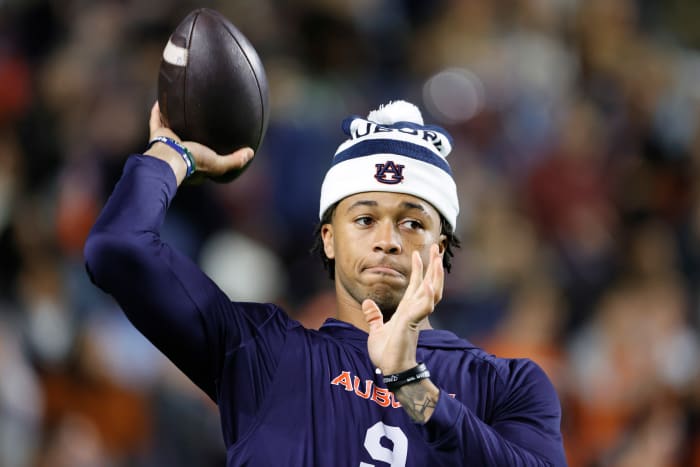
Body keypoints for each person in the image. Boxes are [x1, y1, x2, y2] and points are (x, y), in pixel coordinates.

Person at [84, 99, 567, 466]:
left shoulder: (508, 385)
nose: (388, 240)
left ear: (440, 248)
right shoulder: (259, 353)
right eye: (364, 219)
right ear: (329, 239)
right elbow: (117, 248)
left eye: (413, 223)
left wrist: (413, 387)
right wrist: (171, 156)